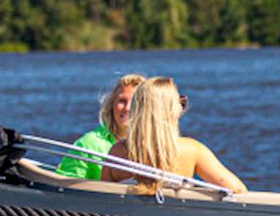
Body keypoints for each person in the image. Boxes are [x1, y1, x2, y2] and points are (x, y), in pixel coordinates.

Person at [105, 76, 247, 193]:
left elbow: (99, 196)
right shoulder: (192, 151)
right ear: (171, 110)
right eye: (179, 102)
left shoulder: (117, 153)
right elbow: (238, 190)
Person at [58, 73, 144, 179]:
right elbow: (63, 186)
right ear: (112, 105)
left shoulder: (153, 145)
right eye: (122, 101)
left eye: (135, 102)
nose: (127, 108)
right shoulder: (88, 144)